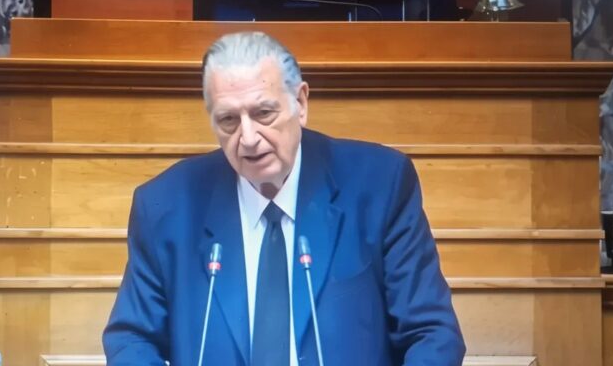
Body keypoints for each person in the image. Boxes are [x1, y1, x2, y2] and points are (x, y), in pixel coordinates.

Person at [103, 31, 465, 366]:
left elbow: (432, 333)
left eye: (264, 113)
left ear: (300, 103)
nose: (248, 138)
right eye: (228, 120)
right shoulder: (166, 206)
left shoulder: (379, 184)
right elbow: (131, 339)